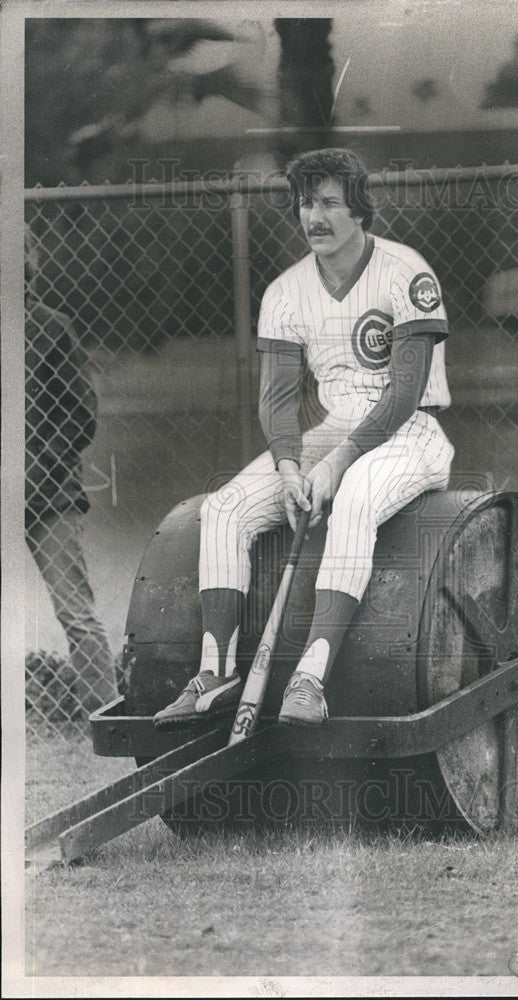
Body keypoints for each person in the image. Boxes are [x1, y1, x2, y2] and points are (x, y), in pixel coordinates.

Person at [154, 147, 454, 727]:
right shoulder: (286, 291)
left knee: (359, 493)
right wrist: (291, 469)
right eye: (305, 204)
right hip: (331, 431)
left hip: (410, 431)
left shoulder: (405, 271)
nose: (314, 217)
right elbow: (278, 401)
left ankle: (310, 678)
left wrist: (338, 461)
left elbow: (405, 392)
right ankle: (215, 675)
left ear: (359, 210)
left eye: (329, 204)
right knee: (225, 507)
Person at [25, 229, 115, 714]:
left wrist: (35, 476)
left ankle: (107, 718)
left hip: (48, 496)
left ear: (27, 266)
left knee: (76, 613)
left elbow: (79, 414)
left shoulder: (52, 328)